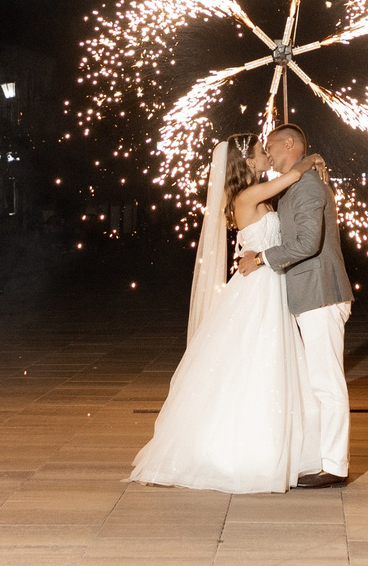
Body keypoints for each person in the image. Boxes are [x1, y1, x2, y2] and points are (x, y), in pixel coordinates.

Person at [128, 139, 327, 494]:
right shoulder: (247, 198)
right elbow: (295, 173)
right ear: (247, 162)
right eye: (260, 152)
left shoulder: (257, 194)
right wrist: (313, 156)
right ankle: (249, 451)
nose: (267, 154)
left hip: (268, 283)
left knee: (269, 361)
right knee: (258, 361)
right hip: (258, 286)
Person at [239, 122, 354, 488]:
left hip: (321, 292)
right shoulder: (297, 181)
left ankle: (335, 466)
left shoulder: (306, 185)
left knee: (327, 383)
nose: (268, 152)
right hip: (309, 294)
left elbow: (306, 244)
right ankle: (324, 458)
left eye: (271, 145)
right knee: (319, 382)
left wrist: (259, 260)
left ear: (290, 144)